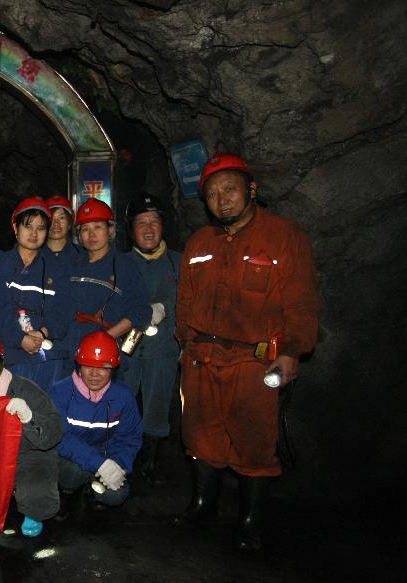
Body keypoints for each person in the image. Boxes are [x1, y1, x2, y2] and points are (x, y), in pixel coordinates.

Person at [175, 152, 319, 551]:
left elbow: (301, 302)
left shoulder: (284, 237)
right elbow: (184, 301)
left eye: (229, 189)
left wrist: (292, 351)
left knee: (255, 441)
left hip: (254, 362)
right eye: (212, 194)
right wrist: (186, 343)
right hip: (202, 358)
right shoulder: (200, 242)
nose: (221, 200)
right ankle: (203, 506)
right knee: (200, 436)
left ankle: (251, 519)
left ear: (251, 189)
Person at [0, 325, 64, 538]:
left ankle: (32, 510)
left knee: (37, 492)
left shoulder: (25, 388)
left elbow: (54, 433)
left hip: (27, 456)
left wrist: (28, 417)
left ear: (1, 362)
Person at [118, 193, 181, 481]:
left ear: (163, 226)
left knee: (157, 405)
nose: (148, 229)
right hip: (126, 350)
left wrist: (166, 309)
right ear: (131, 229)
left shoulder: (179, 263)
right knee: (122, 404)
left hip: (164, 349)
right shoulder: (119, 263)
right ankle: (122, 459)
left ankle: (151, 461)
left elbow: (192, 301)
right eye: (141, 223)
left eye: (154, 222)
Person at [0, 196, 75, 391]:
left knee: (47, 408)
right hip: (11, 354)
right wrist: (20, 339)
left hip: (49, 357)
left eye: (41, 228)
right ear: (15, 228)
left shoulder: (57, 268)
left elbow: (64, 311)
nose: (34, 233)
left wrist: (43, 333)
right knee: (14, 408)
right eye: (28, 226)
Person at [50, 330, 142, 510]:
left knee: (117, 494)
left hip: (104, 457)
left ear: (113, 368)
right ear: (79, 365)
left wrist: (118, 465)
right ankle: (67, 492)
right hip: (69, 459)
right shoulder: (60, 392)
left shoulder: (123, 396)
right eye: (88, 366)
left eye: (103, 367)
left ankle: (92, 493)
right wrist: (99, 463)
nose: (94, 374)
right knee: (73, 472)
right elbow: (60, 437)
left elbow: (129, 437)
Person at [63, 197, 151, 359]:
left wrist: (105, 338)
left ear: (110, 230)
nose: (91, 234)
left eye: (98, 227)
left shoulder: (125, 267)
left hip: (104, 351)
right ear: (79, 235)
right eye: (85, 229)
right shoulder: (70, 264)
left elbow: (141, 311)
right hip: (68, 350)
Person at [44, 194, 80, 262]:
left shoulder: (83, 255)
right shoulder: (34, 256)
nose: (56, 223)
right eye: (51, 218)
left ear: (69, 223)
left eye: (62, 218)